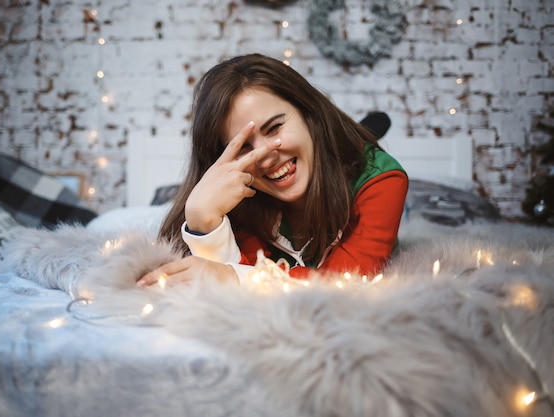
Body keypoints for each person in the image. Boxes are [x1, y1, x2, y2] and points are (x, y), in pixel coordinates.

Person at [138, 53, 408, 287]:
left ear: (309, 112)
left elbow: (339, 288)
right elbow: (239, 279)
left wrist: (233, 279)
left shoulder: (382, 178)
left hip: (345, 161)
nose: (266, 159)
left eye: (275, 127)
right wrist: (203, 221)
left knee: (344, 153)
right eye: (244, 146)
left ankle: (359, 133)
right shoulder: (241, 196)